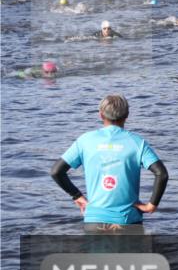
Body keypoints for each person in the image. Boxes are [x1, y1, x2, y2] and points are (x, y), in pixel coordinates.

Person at [50, 94, 168, 232]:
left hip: (94, 221)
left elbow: (56, 171)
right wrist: (151, 206)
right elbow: (162, 174)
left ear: (100, 115)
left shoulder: (85, 140)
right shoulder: (137, 142)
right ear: (127, 115)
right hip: (127, 221)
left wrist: (77, 196)